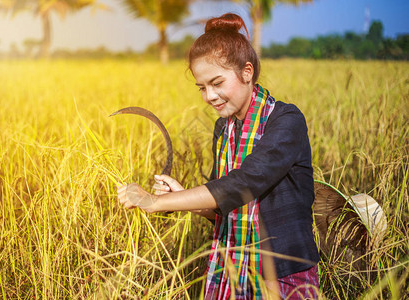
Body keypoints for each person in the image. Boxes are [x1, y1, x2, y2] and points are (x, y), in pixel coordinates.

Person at [117, 13, 320, 300]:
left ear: (246, 72)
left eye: (217, 83)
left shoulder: (286, 121)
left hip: (284, 275)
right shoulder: (224, 129)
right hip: (234, 270)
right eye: (202, 87)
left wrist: (157, 202)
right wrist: (182, 198)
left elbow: (243, 184)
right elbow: (221, 208)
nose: (210, 96)